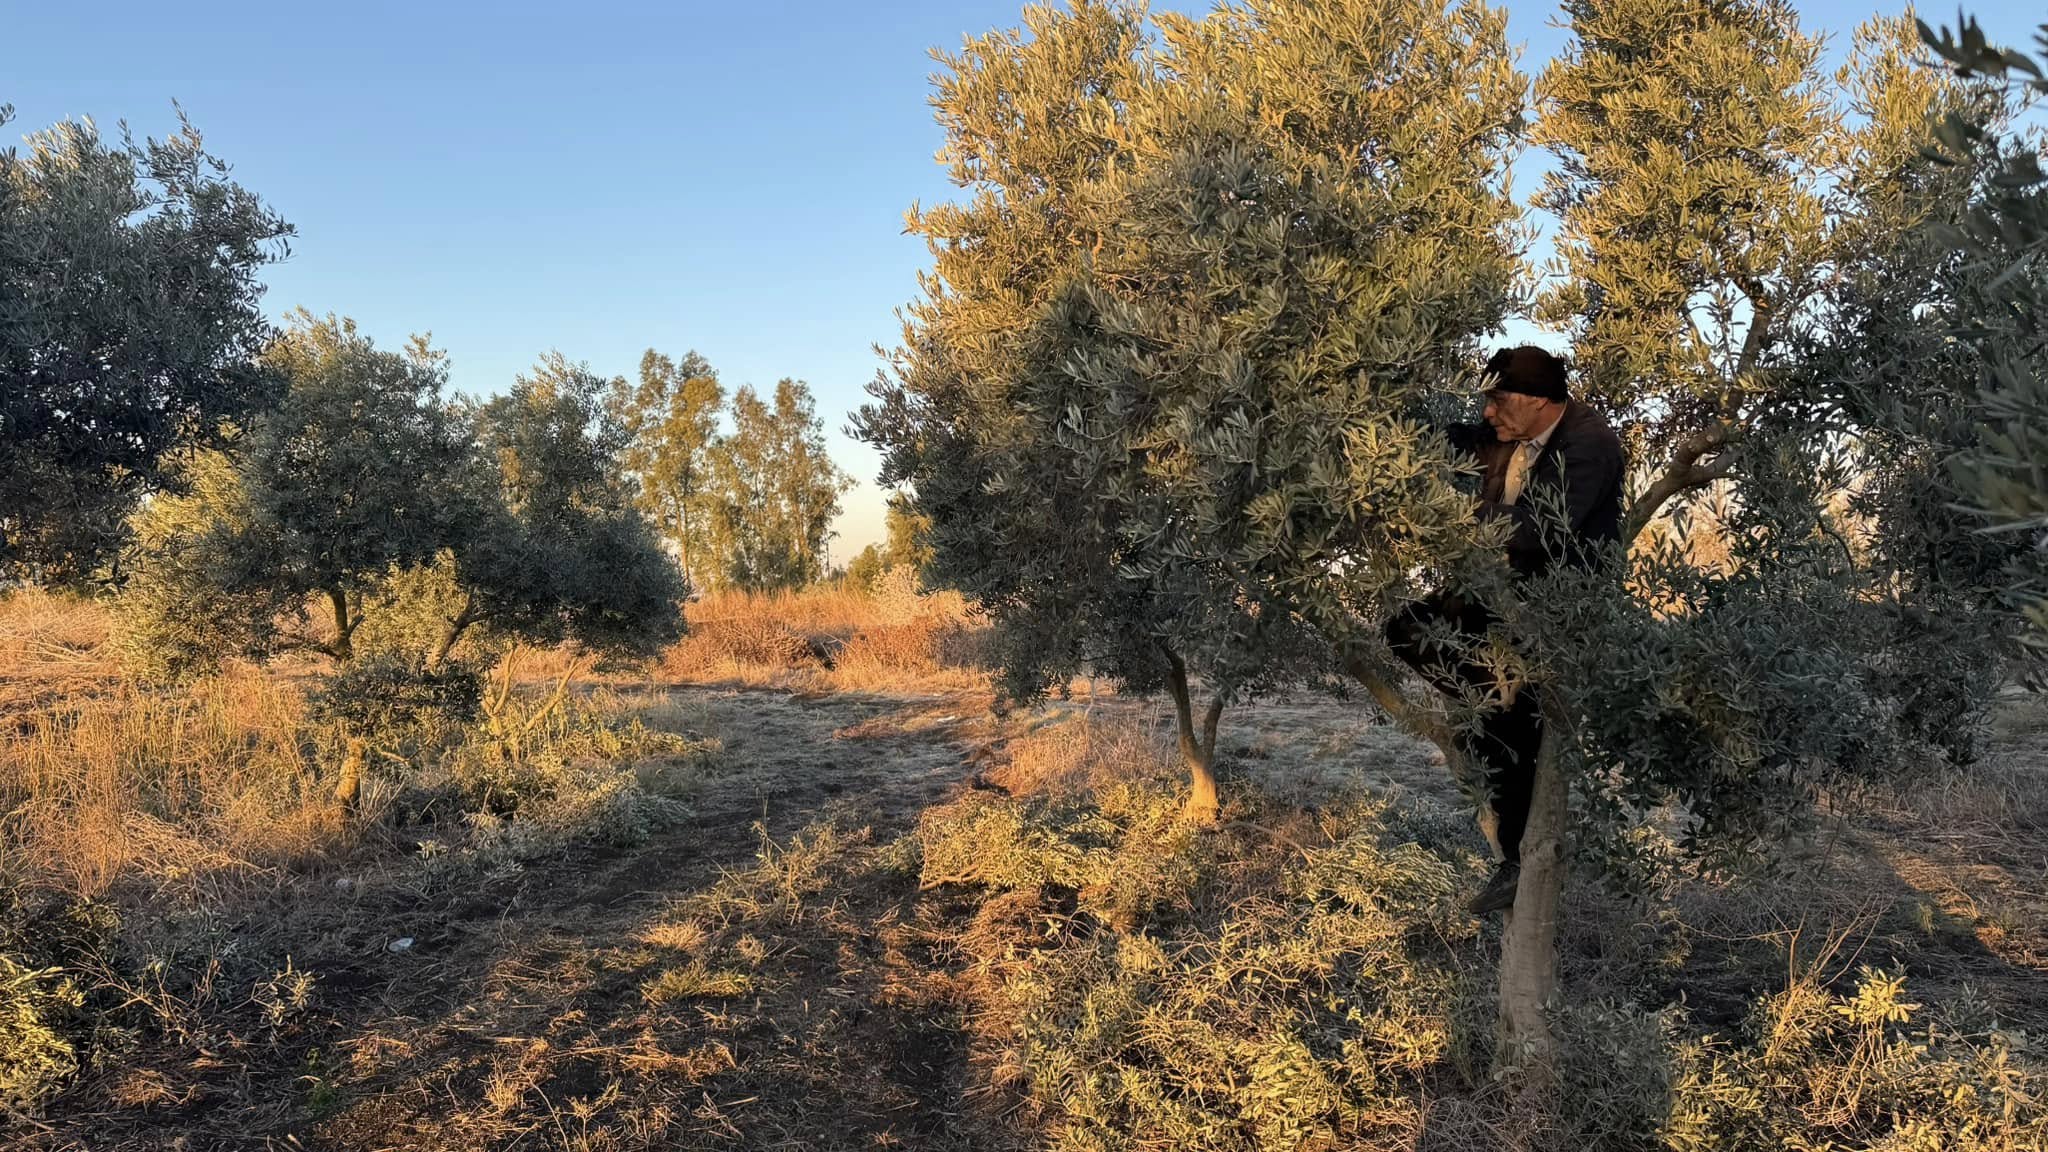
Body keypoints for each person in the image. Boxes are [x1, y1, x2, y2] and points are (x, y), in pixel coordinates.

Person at [1386, 345, 1624, 914]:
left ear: (1538, 399)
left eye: (1497, 400)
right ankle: (1487, 698)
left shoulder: (1590, 444)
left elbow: (1541, 532)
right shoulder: (1506, 432)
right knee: (1406, 629)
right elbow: (1450, 437)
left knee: (1510, 729)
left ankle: (1517, 858)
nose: (1488, 414)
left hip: (1551, 609)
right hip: (1494, 597)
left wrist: (1447, 515)